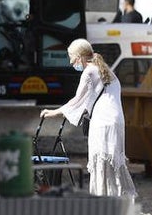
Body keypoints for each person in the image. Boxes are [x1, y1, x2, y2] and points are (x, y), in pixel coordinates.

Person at [39, 39, 137, 199]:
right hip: (116, 121)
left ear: (79, 56)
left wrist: (54, 112)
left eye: (71, 57)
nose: (71, 62)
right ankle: (118, 198)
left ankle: (101, 199)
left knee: (100, 163)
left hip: (102, 123)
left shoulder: (89, 72)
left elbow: (78, 100)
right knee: (113, 164)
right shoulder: (105, 69)